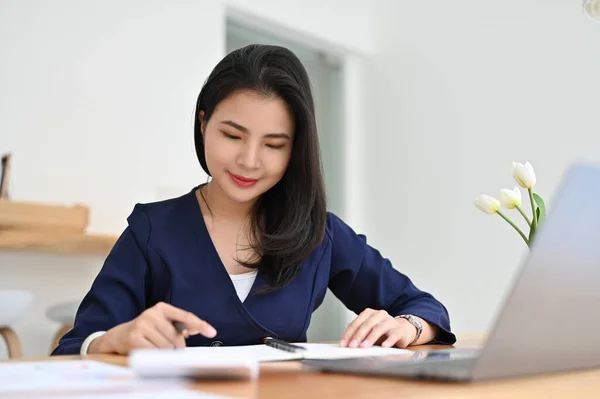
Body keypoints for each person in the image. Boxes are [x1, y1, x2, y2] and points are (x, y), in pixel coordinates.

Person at [52, 44, 456, 356]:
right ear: (203, 121)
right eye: (232, 135)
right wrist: (115, 339)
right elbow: (74, 347)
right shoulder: (153, 229)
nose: (249, 161)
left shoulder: (321, 234)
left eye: (274, 144)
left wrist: (410, 327)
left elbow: (423, 306)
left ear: (295, 149)